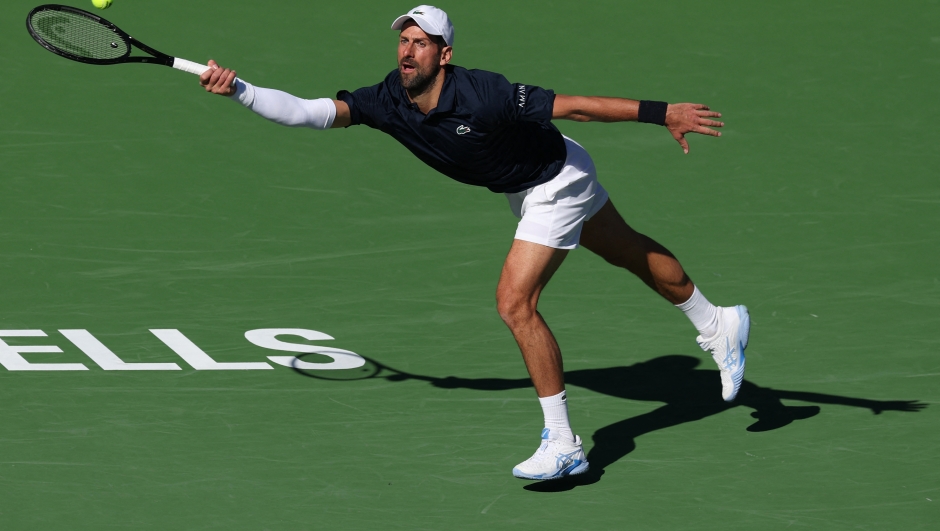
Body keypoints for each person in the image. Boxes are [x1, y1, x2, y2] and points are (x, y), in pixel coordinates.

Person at [199, 5, 749, 481]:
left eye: (420, 42)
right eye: (402, 40)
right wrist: (240, 90)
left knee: (515, 303)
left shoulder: (484, 93)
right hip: (530, 180)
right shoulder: (389, 98)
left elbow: (575, 106)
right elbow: (309, 112)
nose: (407, 50)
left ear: (445, 54)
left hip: (556, 180)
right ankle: (716, 321)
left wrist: (663, 113)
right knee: (628, 251)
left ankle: (563, 444)